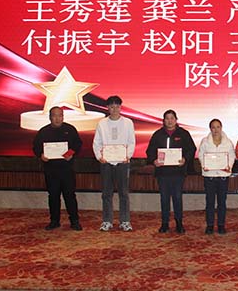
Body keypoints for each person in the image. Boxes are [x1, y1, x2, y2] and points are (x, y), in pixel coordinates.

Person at [146, 109, 197, 234]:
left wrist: (185, 159)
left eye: (172, 118)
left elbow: (191, 149)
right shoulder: (158, 134)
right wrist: (154, 160)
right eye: (167, 118)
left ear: (176, 120)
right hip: (162, 173)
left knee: (177, 198)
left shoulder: (183, 133)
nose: (169, 121)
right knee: (164, 198)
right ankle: (165, 224)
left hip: (178, 172)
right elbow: (150, 151)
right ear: (163, 121)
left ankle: (179, 223)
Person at [33, 106, 83, 231]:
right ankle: (54, 221)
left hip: (67, 169)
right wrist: (41, 155)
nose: (57, 118)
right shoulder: (43, 131)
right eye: (54, 115)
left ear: (63, 117)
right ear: (50, 117)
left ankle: (74, 221)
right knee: (53, 196)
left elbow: (78, 144)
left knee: (69, 195)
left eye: (60, 115)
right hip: (51, 170)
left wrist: (70, 153)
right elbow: (36, 147)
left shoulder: (70, 129)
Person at [93, 95, 136, 232]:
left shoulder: (128, 122)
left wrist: (128, 156)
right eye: (112, 107)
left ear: (121, 107)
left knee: (124, 193)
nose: (115, 109)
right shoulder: (102, 123)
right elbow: (97, 142)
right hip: (106, 162)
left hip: (123, 162)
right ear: (107, 108)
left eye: (117, 106)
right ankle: (107, 221)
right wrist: (99, 157)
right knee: (106, 193)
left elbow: (131, 141)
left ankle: (125, 221)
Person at [197, 118, 235, 235]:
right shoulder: (205, 141)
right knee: (210, 202)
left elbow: (232, 156)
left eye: (218, 127)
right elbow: (201, 155)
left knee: (222, 202)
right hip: (209, 176)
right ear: (210, 129)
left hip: (223, 176)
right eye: (213, 127)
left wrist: (229, 166)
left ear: (221, 128)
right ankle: (209, 225)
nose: (216, 129)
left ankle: (221, 225)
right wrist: (204, 165)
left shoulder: (228, 142)